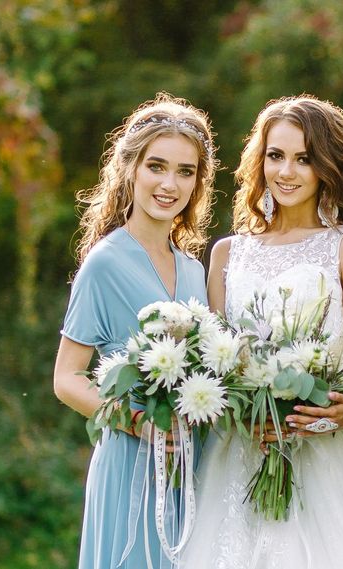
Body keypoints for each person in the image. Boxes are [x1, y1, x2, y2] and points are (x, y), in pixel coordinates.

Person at [182, 95, 343, 569]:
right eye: (276, 156)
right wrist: (243, 411)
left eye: (303, 159)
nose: (287, 172)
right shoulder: (226, 254)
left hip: (323, 455)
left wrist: (337, 413)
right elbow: (218, 366)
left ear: (326, 167)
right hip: (238, 454)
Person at [53, 93, 216, 569]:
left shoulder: (192, 270)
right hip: (130, 464)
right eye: (157, 167)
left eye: (186, 172)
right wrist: (136, 424)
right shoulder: (104, 263)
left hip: (190, 468)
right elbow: (66, 379)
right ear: (130, 169)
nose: (170, 184)